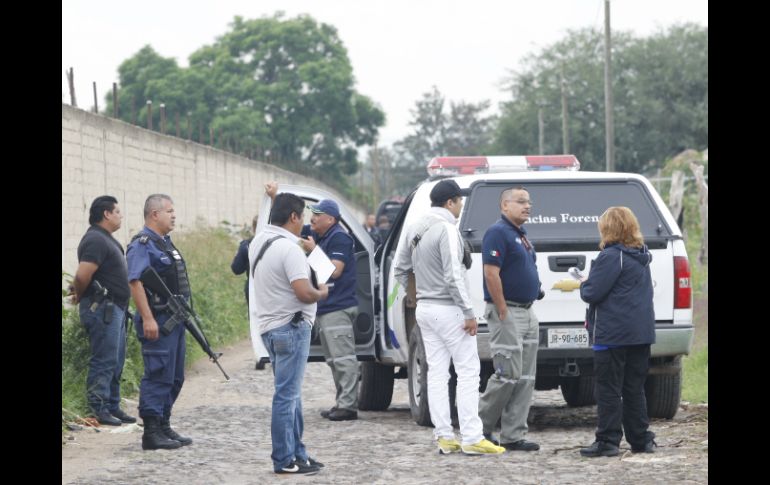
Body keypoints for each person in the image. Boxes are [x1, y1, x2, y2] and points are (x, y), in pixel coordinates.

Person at [394, 179, 504, 455]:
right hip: (449, 309)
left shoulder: (415, 227)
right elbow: (453, 274)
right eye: (460, 202)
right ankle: (471, 436)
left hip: (425, 309)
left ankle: (444, 435)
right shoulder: (447, 229)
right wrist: (468, 312)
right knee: (468, 372)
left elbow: (400, 268)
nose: (461, 207)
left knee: (438, 373)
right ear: (450, 202)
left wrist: (415, 294)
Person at [265, 182, 361, 422]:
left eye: (317, 215)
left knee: (343, 359)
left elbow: (334, 272)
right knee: (333, 360)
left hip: (338, 307)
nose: (312, 219)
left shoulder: (339, 238)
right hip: (327, 307)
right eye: (311, 215)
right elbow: (289, 222)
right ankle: (342, 402)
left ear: (331, 219)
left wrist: (314, 251)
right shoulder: (318, 233)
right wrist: (276, 198)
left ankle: (348, 406)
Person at [250, 189, 329, 474]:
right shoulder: (289, 249)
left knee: (291, 395)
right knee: (286, 397)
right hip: (292, 328)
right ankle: (283, 459)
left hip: (271, 328)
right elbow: (303, 292)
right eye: (303, 217)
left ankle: (298, 453)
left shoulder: (259, 241)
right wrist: (321, 292)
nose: (304, 224)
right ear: (293, 217)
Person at [578, 207, 657, 457]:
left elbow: (592, 292)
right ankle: (641, 439)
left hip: (612, 334)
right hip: (640, 333)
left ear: (609, 228)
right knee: (634, 388)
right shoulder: (641, 255)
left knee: (608, 388)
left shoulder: (611, 256)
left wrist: (583, 283)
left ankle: (608, 441)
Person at [478, 186, 544, 452]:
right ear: (504, 205)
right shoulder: (497, 232)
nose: (527, 206)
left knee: (526, 376)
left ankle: (514, 435)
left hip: (527, 311)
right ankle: (478, 428)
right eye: (520, 201)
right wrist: (502, 308)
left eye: (529, 202)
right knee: (507, 373)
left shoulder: (521, 235)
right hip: (508, 311)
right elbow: (491, 273)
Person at [126, 194, 192, 451]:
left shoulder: (165, 244)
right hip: (159, 321)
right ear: (155, 214)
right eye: (169, 211)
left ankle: (163, 424)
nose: (174, 215)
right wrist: (148, 318)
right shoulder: (143, 245)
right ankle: (151, 433)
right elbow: (135, 282)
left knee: (175, 376)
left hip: (174, 321)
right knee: (158, 375)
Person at [70, 195, 135, 426]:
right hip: (102, 309)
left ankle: (112, 405)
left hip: (115, 309)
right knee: (104, 360)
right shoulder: (95, 240)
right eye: (117, 211)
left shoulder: (106, 239)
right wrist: (78, 294)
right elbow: (82, 275)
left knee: (116, 360)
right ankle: (98, 408)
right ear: (106, 214)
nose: (121, 215)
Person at [231, 214, 259, 303]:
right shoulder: (278, 245)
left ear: (254, 228)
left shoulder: (246, 245)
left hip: (253, 289)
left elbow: (236, 269)